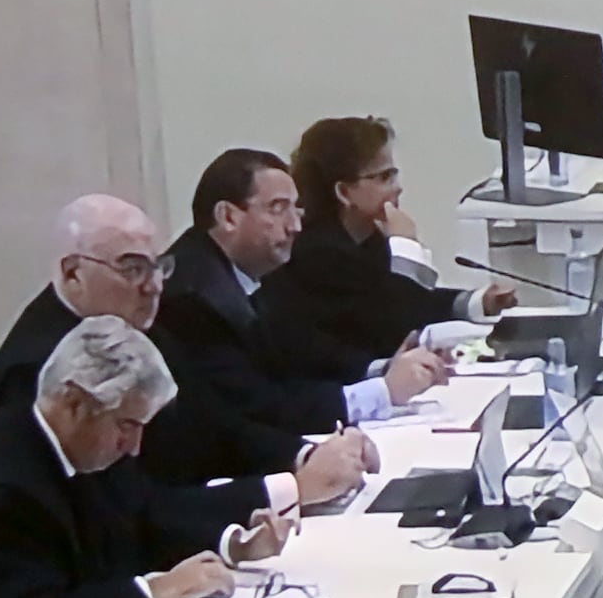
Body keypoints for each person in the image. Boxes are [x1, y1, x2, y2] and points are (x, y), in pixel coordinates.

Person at [0, 317, 289, 598]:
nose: (135, 448)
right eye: (127, 425)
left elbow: (142, 515)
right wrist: (156, 593)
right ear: (74, 403)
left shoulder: (84, 445)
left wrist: (234, 546)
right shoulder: (3, 489)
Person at [0, 195, 369, 519]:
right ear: (73, 272)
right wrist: (286, 489)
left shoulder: (136, 329)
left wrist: (306, 455)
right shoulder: (41, 373)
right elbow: (130, 513)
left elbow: (214, 426)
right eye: (132, 269)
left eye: (158, 267)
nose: (154, 286)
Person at [158, 149, 448, 483]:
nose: (296, 226)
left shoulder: (247, 271)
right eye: (278, 209)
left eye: (296, 209)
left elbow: (300, 351)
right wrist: (381, 393)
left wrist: (381, 371)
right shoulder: (194, 299)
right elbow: (258, 407)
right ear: (228, 216)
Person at [258, 117, 515, 376]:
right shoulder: (316, 252)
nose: (398, 188)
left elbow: (400, 301)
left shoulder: (366, 239)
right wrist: (405, 247)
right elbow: (397, 326)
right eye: (384, 177)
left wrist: (477, 301)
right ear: (344, 192)